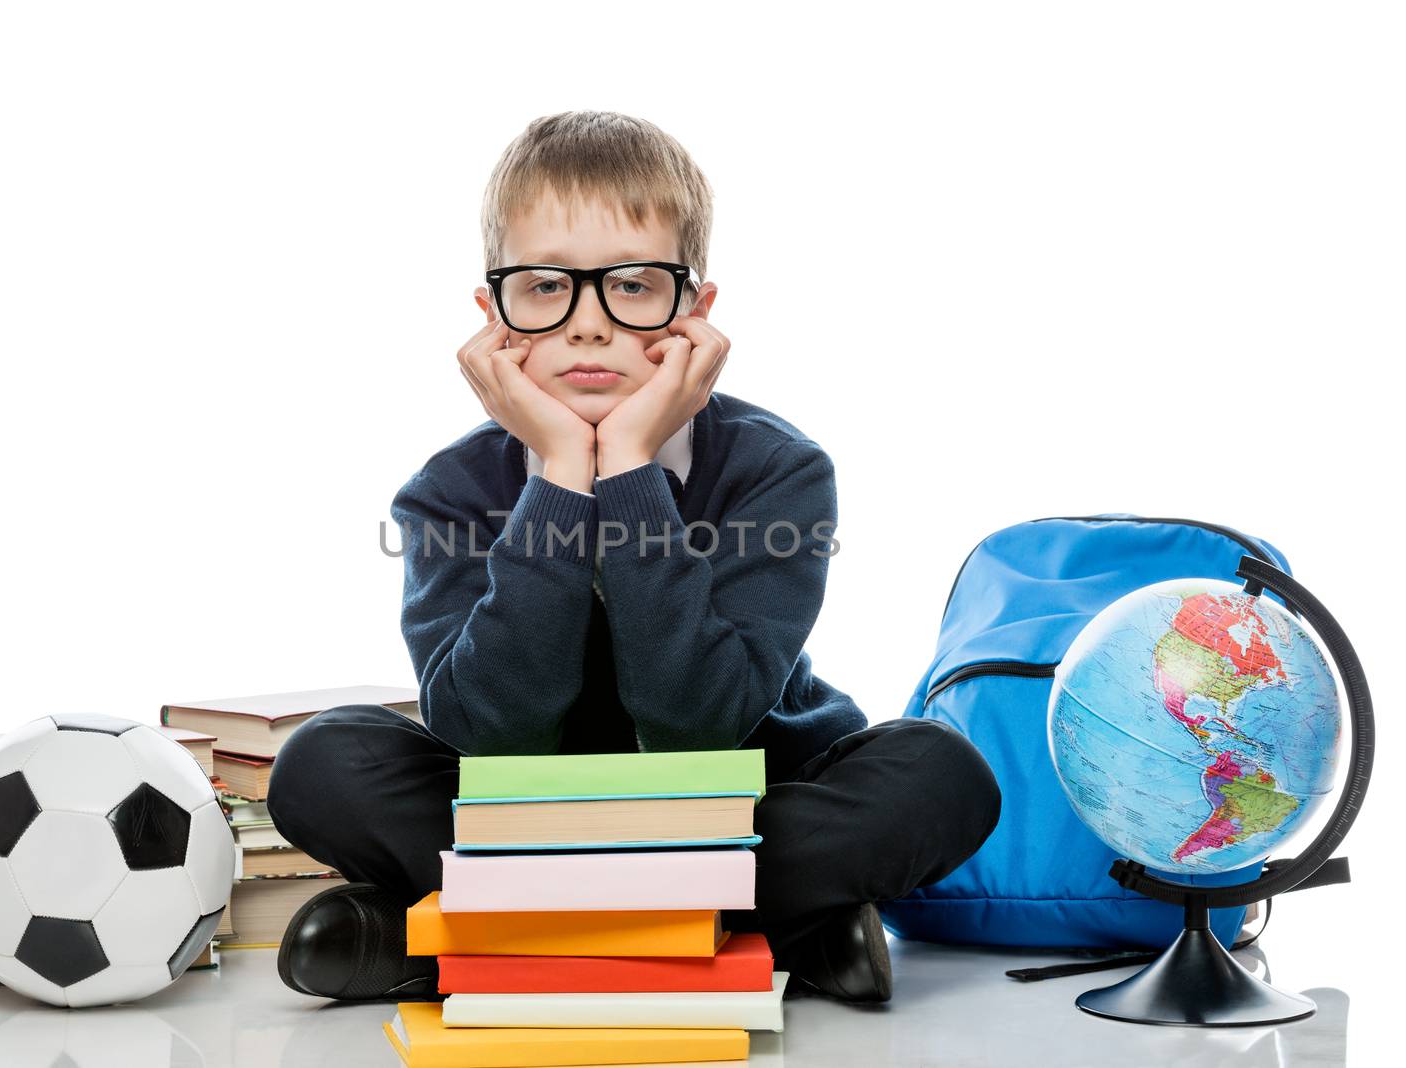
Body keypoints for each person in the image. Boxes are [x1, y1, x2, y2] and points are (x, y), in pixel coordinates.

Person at [267, 110, 1001, 1005]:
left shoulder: (780, 472)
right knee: (321, 762)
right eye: (544, 288)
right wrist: (563, 479)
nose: (587, 326)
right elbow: (495, 735)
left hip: (740, 796)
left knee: (942, 772)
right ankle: (775, 931)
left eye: (633, 287)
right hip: (525, 809)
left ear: (694, 309)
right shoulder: (449, 490)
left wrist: (630, 468)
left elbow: (696, 726)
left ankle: (454, 941)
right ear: (492, 314)